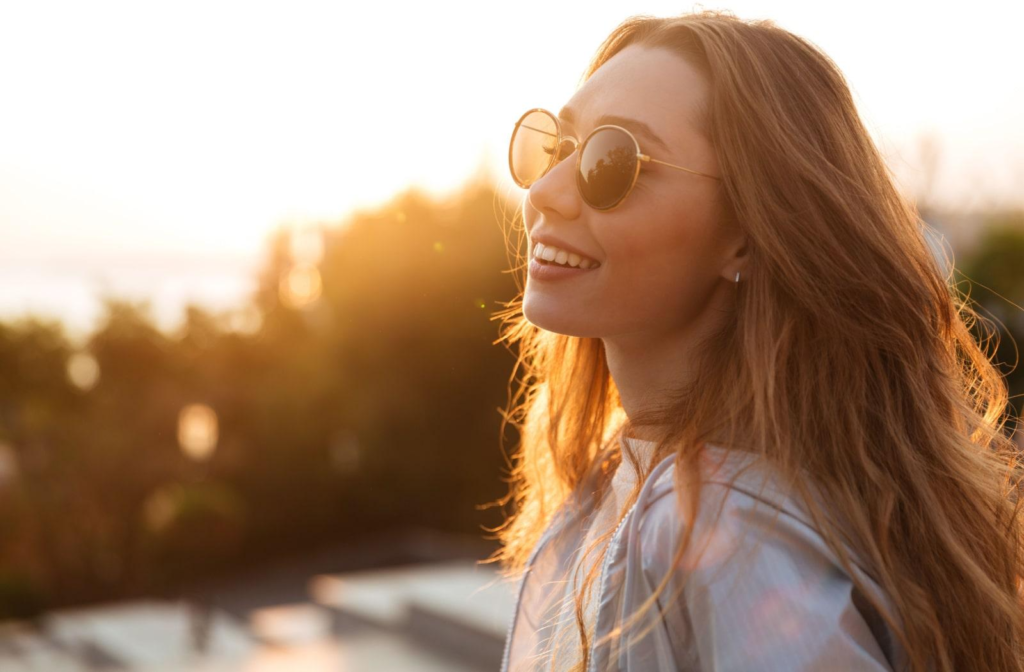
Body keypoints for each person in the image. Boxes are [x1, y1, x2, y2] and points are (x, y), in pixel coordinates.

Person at [486, 9, 1024, 672]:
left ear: (745, 232)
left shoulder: (719, 525)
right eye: (556, 147)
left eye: (611, 161)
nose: (545, 192)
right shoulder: (651, 484)